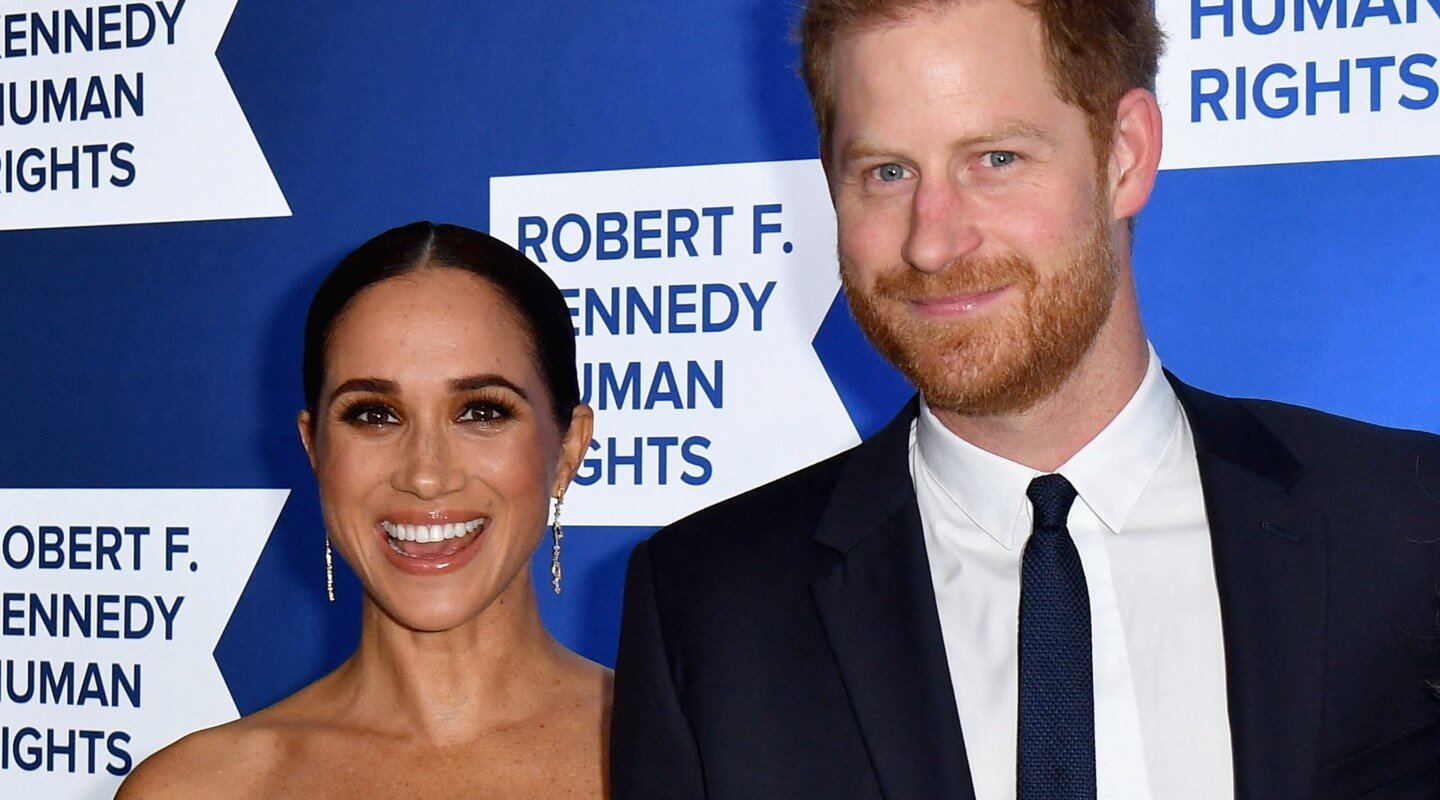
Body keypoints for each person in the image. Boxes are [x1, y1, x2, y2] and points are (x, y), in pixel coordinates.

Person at [610, 1, 1440, 798]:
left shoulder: (1407, 526)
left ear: (1126, 154)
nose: (931, 241)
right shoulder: (709, 609)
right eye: (887, 171)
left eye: (995, 160)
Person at [117, 222, 607, 799]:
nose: (426, 475)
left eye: (480, 412)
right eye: (374, 415)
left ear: (568, 448)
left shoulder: (691, 754)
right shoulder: (195, 789)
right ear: (315, 449)